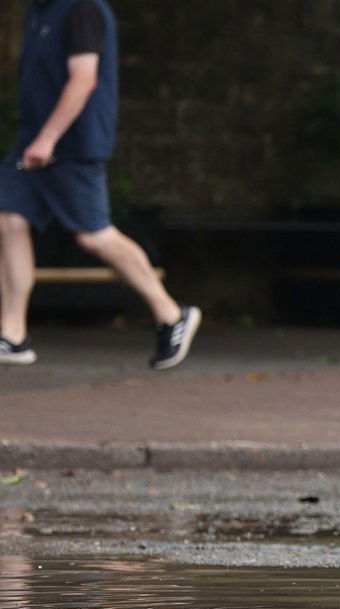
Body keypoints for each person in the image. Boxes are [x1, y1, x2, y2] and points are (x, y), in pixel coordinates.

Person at [0, 0, 199, 368]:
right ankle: (13, 334)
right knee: (8, 216)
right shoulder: (39, 11)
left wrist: (49, 138)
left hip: (72, 145)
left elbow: (84, 79)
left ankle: (171, 314)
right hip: (34, 142)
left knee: (94, 236)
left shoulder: (82, 10)